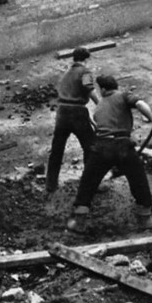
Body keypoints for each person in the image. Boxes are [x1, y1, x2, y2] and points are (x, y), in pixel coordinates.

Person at [67, 74, 152, 233]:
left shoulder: (98, 107)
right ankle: (145, 219)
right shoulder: (123, 95)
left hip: (101, 146)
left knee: (88, 182)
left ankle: (79, 222)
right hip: (122, 146)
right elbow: (140, 104)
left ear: (103, 89)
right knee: (138, 179)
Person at [46, 46, 99, 196]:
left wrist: (89, 120)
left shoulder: (65, 75)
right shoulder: (84, 72)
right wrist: (101, 105)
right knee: (91, 147)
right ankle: (89, 184)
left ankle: (51, 184)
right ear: (86, 59)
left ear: (73, 58)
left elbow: (69, 99)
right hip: (77, 113)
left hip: (62, 113)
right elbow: (89, 88)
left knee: (57, 149)